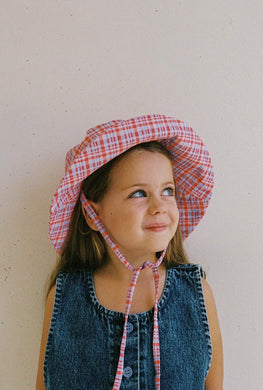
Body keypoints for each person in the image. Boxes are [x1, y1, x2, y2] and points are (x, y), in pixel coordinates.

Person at [36, 114, 223, 390]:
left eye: (168, 190)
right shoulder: (65, 296)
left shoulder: (197, 294)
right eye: (139, 193)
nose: (159, 206)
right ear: (92, 214)